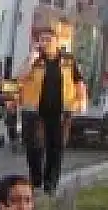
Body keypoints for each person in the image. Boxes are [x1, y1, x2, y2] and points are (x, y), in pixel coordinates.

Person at [19, 24, 85, 195]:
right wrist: (31, 59)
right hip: (35, 112)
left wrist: (81, 100)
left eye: (49, 39)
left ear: (57, 41)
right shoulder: (35, 60)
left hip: (61, 112)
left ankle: (51, 185)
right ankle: (36, 180)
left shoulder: (68, 60)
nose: (45, 43)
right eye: (42, 40)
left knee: (56, 149)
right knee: (34, 147)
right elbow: (20, 78)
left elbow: (79, 81)